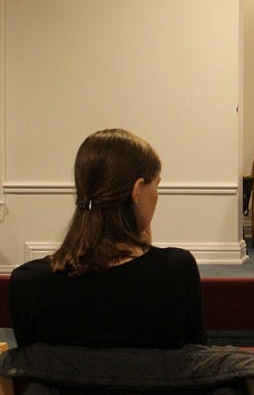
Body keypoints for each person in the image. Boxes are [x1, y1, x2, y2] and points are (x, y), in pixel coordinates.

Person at [9, 128, 206, 348]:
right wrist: (147, 253)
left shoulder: (28, 283)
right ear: (138, 190)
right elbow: (195, 357)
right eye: (156, 186)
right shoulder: (176, 271)